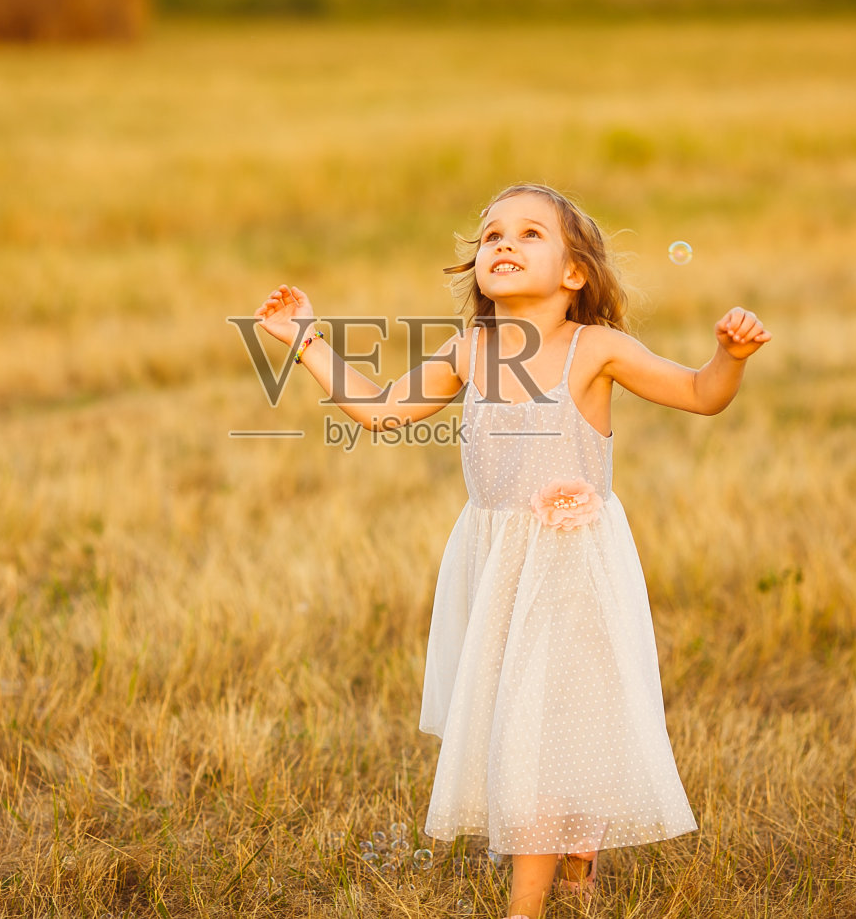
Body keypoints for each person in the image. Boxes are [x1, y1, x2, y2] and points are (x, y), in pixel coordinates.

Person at [252, 182, 771, 918]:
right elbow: (380, 410)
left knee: (539, 726)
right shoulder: (470, 350)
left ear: (574, 273)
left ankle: (524, 906)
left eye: (530, 233)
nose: (502, 242)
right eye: (492, 233)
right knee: (520, 715)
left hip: (570, 566)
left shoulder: (596, 349)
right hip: (497, 562)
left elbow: (699, 393)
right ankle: (576, 855)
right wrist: (303, 338)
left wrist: (729, 356)